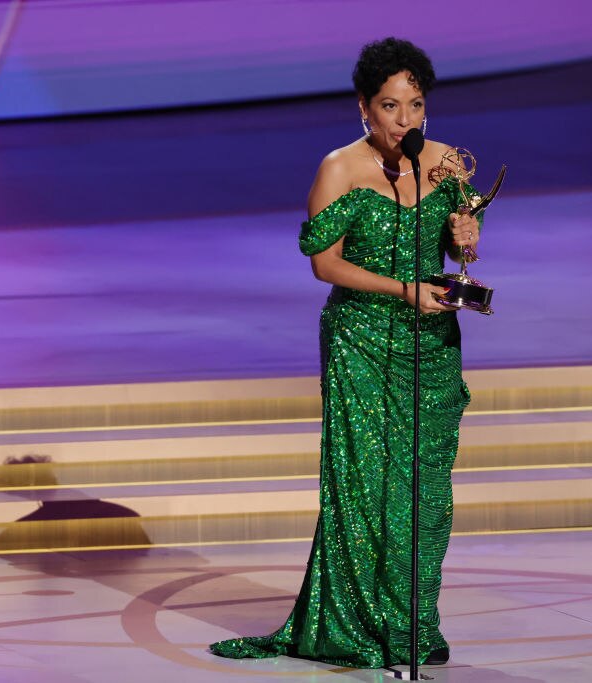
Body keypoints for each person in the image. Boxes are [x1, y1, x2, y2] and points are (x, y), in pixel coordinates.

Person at [210, 36, 482, 669]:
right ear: (364, 107)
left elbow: (460, 249)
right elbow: (324, 264)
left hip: (431, 345)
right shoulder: (340, 168)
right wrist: (404, 290)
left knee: (425, 490)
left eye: (415, 105)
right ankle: (356, 625)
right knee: (365, 485)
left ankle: (414, 624)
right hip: (360, 341)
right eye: (390, 106)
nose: (405, 120)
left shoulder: (447, 164)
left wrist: (465, 238)